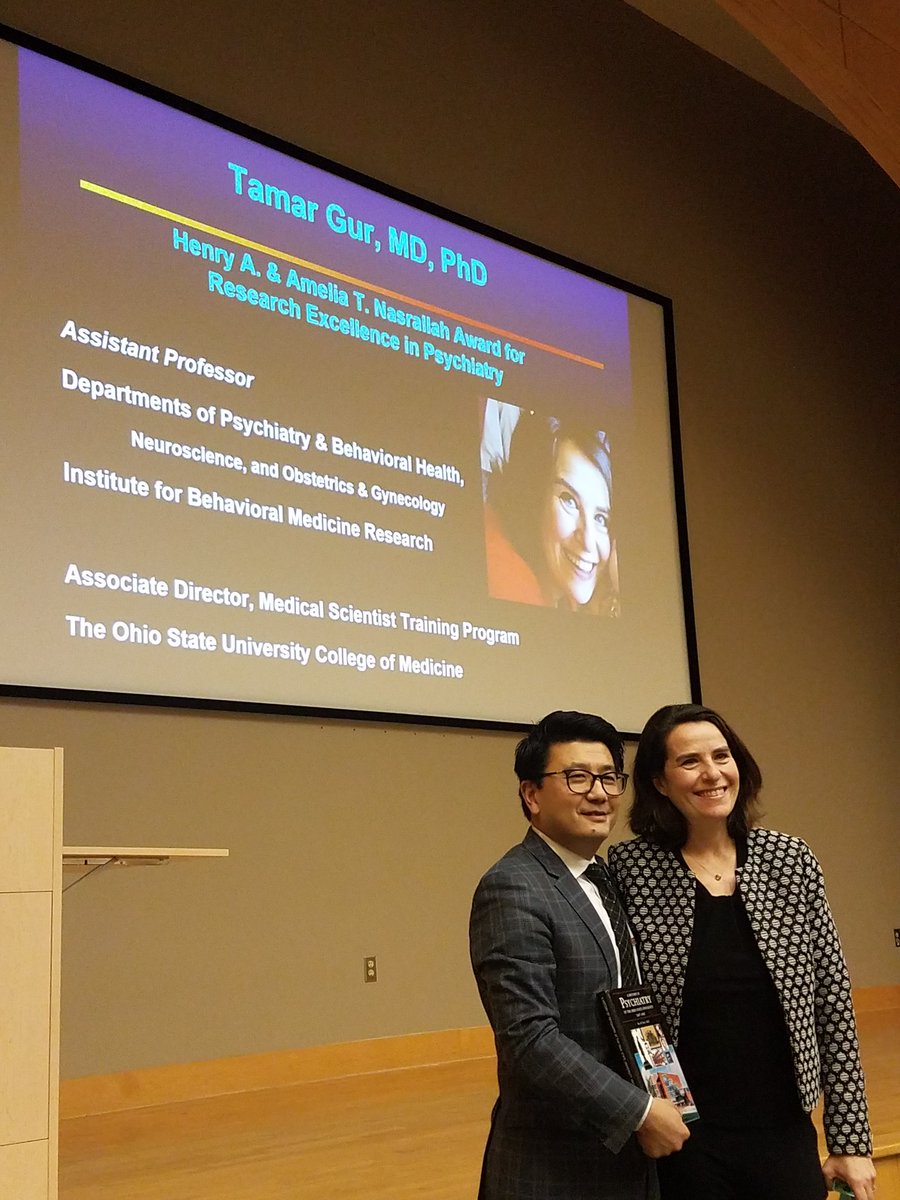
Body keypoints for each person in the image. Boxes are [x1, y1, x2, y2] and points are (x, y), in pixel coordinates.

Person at [608, 703, 876, 1200]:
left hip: (782, 1129)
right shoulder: (631, 868)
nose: (712, 773)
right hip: (684, 1135)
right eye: (689, 762)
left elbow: (832, 1002)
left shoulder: (790, 859)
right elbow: (627, 1007)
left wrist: (849, 1138)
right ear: (660, 782)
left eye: (721, 756)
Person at [469, 710, 690, 1200]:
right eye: (577, 777)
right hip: (555, 1167)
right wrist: (637, 1111)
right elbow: (529, 1039)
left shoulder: (605, 877)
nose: (599, 793)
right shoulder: (512, 886)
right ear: (531, 794)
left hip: (632, 1163)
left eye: (610, 777)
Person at [483, 403, 620, 615]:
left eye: (601, 518)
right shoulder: (506, 581)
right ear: (532, 497)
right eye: (570, 501)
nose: (588, 541)